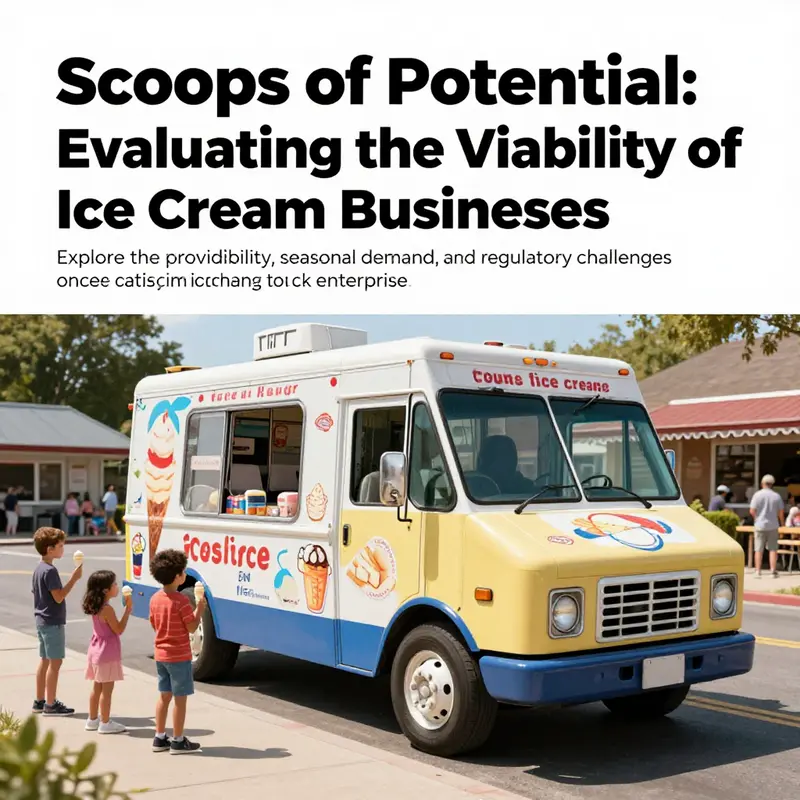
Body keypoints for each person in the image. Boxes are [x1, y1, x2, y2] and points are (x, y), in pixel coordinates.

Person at [149, 549, 206, 754]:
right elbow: (191, 627)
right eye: (183, 572)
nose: (185, 575)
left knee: (164, 696)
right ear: (177, 577)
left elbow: (153, 623)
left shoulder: (155, 598)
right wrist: (199, 608)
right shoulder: (181, 601)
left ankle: (159, 736)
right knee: (180, 700)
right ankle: (178, 740)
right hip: (179, 656)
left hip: (161, 655)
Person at [31, 526, 82, 716]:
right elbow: (59, 597)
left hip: (41, 620)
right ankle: (51, 704)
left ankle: (39, 700)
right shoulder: (50, 571)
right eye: (60, 546)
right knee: (55, 663)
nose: (63, 549)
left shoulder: (39, 568)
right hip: (52, 622)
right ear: (49, 549)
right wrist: (74, 579)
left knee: (44, 661)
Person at [82, 570, 132, 734]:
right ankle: (105, 722)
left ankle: (92, 719)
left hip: (95, 651)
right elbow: (118, 629)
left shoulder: (95, 607)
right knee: (107, 691)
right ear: (105, 590)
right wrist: (128, 610)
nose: (117, 587)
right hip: (107, 653)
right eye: (114, 585)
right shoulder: (107, 609)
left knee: (96, 687)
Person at [749, 474, 785, 578]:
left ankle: (757, 571)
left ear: (762, 483)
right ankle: (773, 571)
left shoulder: (757, 495)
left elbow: (752, 510)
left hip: (760, 525)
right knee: (773, 549)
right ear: (772, 484)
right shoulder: (776, 496)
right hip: (773, 525)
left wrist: (756, 518)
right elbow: (781, 512)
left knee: (758, 549)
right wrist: (782, 524)